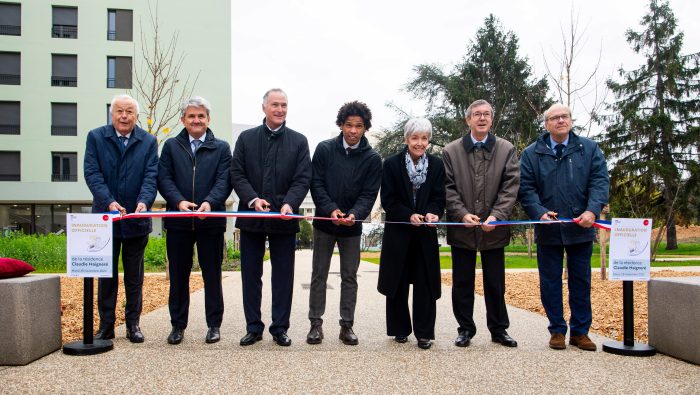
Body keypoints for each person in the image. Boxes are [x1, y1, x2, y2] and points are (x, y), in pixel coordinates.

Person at [519, 103, 609, 351]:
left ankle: (581, 332)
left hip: (581, 228)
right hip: (548, 229)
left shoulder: (588, 149)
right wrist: (539, 212)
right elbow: (526, 189)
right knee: (550, 282)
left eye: (565, 116)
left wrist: (592, 210)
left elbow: (599, 182)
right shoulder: (531, 153)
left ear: (571, 120)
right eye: (555, 118)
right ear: (546, 124)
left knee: (581, 281)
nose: (560, 121)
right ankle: (557, 330)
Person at [231, 88, 311, 347]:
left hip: (284, 219)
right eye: (275, 105)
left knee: (283, 276)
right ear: (264, 108)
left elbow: (302, 178)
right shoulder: (246, 138)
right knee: (251, 275)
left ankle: (280, 328)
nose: (280, 109)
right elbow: (237, 174)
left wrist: (290, 203)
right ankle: (253, 327)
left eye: (284, 105)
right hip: (251, 218)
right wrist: (253, 199)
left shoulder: (299, 141)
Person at [442, 99, 520, 348]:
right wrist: (462, 214)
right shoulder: (451, 151)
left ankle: (499, 329)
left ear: (492, 119)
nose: (482, 118)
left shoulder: (506, 148)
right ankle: (465, 328)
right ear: (468, 120)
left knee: (495, 283)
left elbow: (511, 186)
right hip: (463, 229)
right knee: (462, 283)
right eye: (477, 114)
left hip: (494, 229)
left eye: (487, 114)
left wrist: (497, 215)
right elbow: (447, 188)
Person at [158, 96, 232, 345]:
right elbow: (164, 178)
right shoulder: (171, 146)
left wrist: (210, 203)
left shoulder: (221, 148)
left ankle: (214, 325)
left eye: (201, 116)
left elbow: (224, 180)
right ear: (183, 120)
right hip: (178, 222)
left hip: (210, 222)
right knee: (179, 276)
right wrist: (178, 202)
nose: (196, 120)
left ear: (208, 119)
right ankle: (177, 326)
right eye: (191, 116)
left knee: (212, 275)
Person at [84, 94, 158, 343]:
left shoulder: (148, 141)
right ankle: (106, 325)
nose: (124, 116)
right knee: (106, 277)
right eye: (119, 111)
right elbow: (92, 174)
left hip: (136, 220)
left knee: (134, 277)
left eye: (129, 111)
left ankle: (133, 324)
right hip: (107, 220)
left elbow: (151, 176)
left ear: (136, 116)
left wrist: (144, 202)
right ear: (112, 114)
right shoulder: (96, 137)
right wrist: (109, 201)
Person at [306, 101, 382, 345]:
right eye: (348, 125)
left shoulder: (372, 158)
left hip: (352, 227)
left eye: (358, 126)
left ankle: (346, 325)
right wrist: (331, 209)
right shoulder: (325, 149)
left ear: (365, 128)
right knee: (319, 274)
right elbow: (315, 183)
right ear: (340, 125)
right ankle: (315, 325)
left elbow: (369, 194)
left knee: (350, 276)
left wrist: (354, 214)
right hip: (324, 224)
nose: (353, 130)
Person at [377, 117, 445, 350]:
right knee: (398, 283)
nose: (419, 143)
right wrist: (408, 215)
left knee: (425, 284)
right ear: (406, 139)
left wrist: (434, 213)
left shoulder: (436, 165)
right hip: (399, 234)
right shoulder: (392, 164)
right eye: (415, 138)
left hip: (425, 236)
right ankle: (399, 329)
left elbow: (439, 198)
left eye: (424, 138)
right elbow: (388, 199)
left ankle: (424, 333)